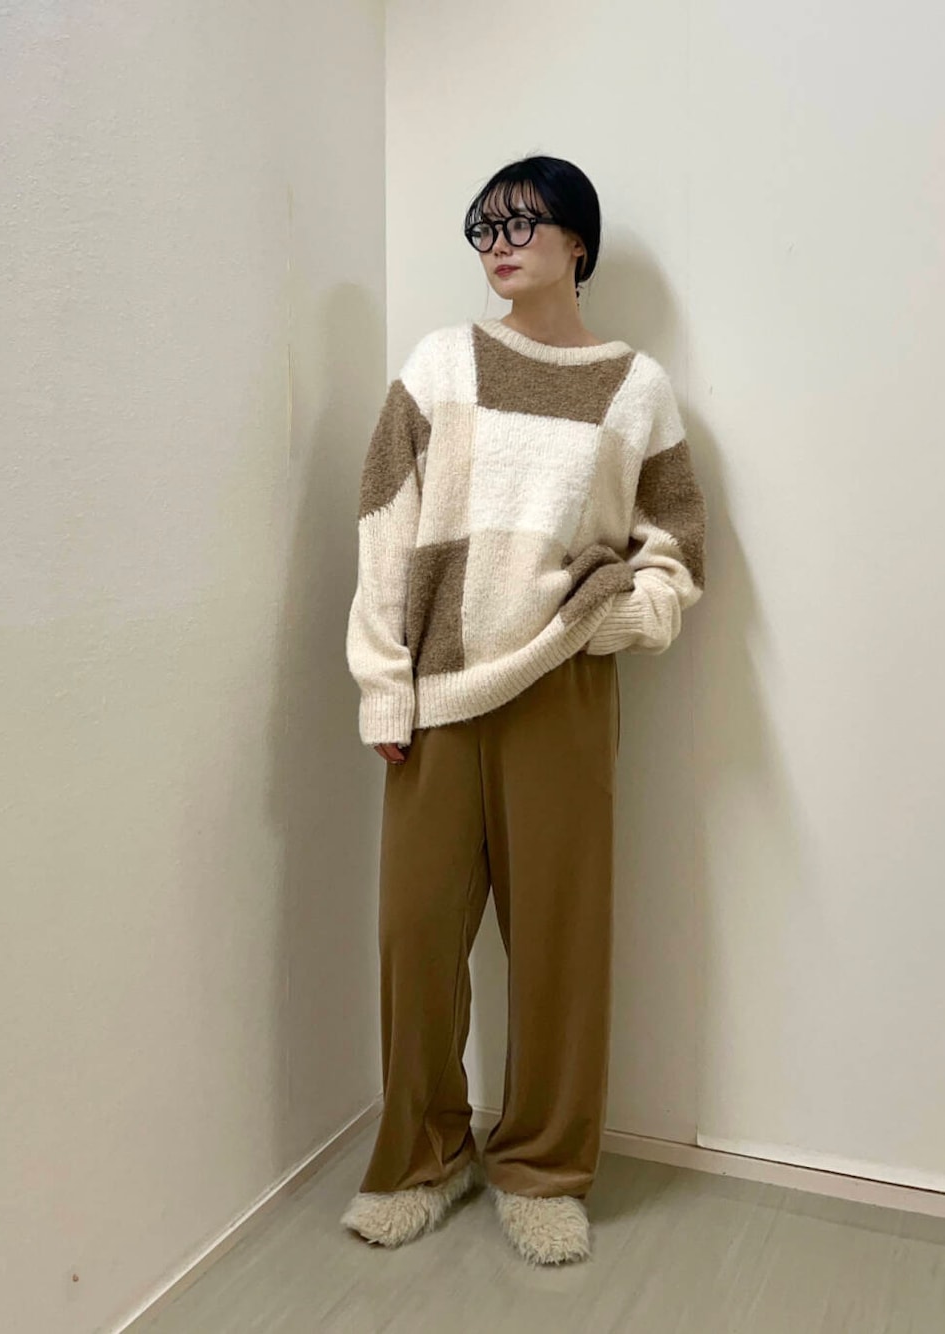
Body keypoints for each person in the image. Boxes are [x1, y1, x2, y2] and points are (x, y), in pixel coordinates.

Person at [341, 155, 707, 1265]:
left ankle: (543, 1168)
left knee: (558, 947)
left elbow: (676, 544)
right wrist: (383, 683)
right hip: (440, 692)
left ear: (576, 242)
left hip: (563, 686)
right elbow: (383, 520)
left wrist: (625, 619)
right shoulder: (439, 363)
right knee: (415, 941)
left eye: (521, 224)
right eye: (484, 228)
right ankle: (423, 1156)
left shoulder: (636, 386)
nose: (498, 245)